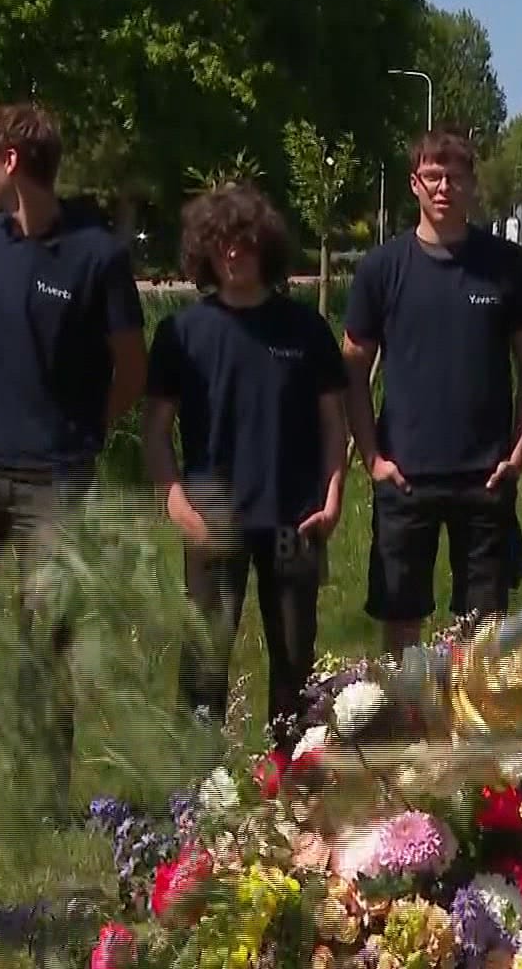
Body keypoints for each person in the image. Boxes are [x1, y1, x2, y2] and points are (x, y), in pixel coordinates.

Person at [0, 101, 148, 806]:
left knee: (45, 641)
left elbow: (130, 369)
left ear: (12, 161)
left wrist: (81, 436)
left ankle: (42, 796)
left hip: (52, 481)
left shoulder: (97, 255)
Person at [141, 182, 348, 751]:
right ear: (205, 251)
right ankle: (201, 789)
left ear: (268, 248)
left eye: (247, 242)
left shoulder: (306, 330)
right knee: (205, 658)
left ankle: (289, 777)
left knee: (295, 656)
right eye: (223, 243)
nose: (235, 253)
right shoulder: (180, 334)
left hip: (295, 519)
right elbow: (156, 431)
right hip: (212, 521)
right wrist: (174, 500)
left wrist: (333, 496)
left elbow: (336, 424)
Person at [343, 130, 522, 655]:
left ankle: (472, 730)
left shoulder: (506, 265)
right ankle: (408, 727)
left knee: (484, 631)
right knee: (400, 624)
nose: (443, 187)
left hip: (485, 477)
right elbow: (352, 368)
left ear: (472, 185)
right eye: (432, 176)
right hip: (404, 478)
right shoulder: (381, 270)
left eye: (454, 176)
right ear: (414, 184)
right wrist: (372, 458)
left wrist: (518, 455)